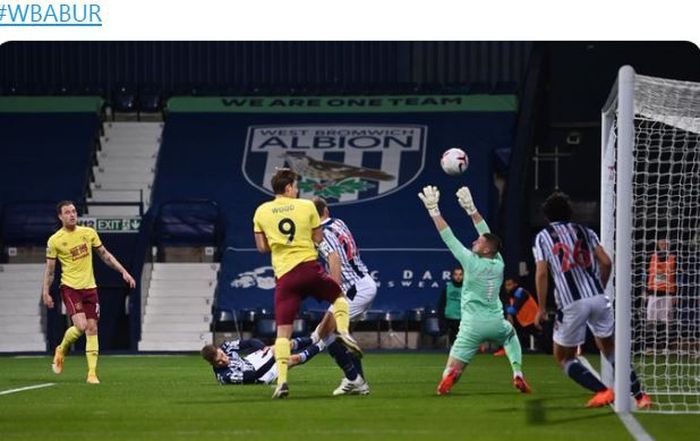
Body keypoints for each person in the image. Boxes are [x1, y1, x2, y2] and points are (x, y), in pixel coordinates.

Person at [532, 192, 651, 409]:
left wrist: (540, 307)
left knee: (563, 357)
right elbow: (605, 262)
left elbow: (541, 273)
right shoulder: (586, 231)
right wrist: (599, 287)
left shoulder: (543, 236)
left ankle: (603, 391)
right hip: (598, 296)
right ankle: (641, 395)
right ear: (570, 212)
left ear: (547, 216)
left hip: (571, 302)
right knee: (610, 348)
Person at [253, 168, 362, 399]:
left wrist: (280, 241)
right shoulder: (306, 206)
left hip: (284, 277)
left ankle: (282, 382)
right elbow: (319, 238)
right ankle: (343, 331)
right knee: (339, 297)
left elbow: (262, 248)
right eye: (296, 186)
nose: (297, 190)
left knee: (283, 333)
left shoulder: (261, 211)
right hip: (308, 268)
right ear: (289, 188)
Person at [417, 185, 531, 395]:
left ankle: (451, 375)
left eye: (478, 242)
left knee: (450, 374)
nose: (474, 241)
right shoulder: (499, 263)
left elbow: (448, 237)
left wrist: (434, 210)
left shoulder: (470, 261)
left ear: (486, 249)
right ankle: (517, 373)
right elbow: (486, 234)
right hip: (496, 323)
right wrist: (472, 210)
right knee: (510, 334)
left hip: (471, 326)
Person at [41, 200, 136, 384]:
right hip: (70, 288)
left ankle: (92, 373)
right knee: (82, 326)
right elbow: (51, 270)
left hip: (90, 287)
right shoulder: (55, 240)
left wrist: (123, 272)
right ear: (60, 216)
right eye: (67, 212)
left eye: (74, 211)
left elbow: (105, 256)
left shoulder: (88, 233)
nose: (72, 215)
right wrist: (46, 291)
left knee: (92, 329)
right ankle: (62, 348)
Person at [293, 197, 376, 395]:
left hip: (353, 290)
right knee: (340, 336)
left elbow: (334, 258)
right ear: (326, 210)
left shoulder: (323, 233)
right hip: (364, 282)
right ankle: (358, 381)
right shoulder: (339, 223)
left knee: (324, 333)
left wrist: (334, 292)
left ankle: (353, 379)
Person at [201, 337, 321, 385]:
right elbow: (254, 375)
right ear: (212, 364)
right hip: (261, 376)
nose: (224, 360)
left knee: (283, 345)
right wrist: (274, 358)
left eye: (222, 355)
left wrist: (264, 348)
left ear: (219, 349)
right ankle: (322, 344)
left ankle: (314, 338)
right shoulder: (225, 376)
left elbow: (250, 342)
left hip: (250, 361)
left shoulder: (226, 347)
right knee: (294, 359)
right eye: (219, 361)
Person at [493, 277, 540, 356]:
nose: (508, 287)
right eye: (506, 285)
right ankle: (506, 349)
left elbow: (514, 309)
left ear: (515, 284)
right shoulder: (511, 295)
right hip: (524, 321)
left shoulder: (520, 291)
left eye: (510, 285)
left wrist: (508, 313)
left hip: (534, 320)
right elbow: (508, 307)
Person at [645, 238, 677, 354]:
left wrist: (675, 295)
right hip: (653, 293)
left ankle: (667, 347)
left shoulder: (674, 258)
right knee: (650, 321)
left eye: (666, 244)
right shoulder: (652, 257)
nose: (664, 245)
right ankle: (650, 346)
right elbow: (648, 275)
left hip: (667, 294)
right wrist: (646, 291)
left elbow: (676, 277)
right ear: (658, 245)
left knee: (667, 322)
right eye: (662, 244)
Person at [436, 266, 463, 346]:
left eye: (460, 274)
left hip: (462, 320)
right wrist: (441, 321)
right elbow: (441, 305)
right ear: (453, 276)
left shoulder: (467, 289)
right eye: (456, 274)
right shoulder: (447, 288)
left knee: (461, 344)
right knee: (449, 344)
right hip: (448, 320)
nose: (458, 277)